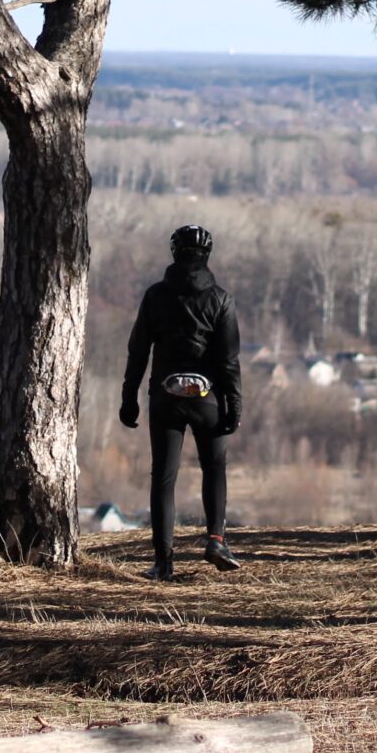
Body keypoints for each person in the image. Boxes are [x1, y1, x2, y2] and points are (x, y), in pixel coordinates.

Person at [119, 224, 242, 580]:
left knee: (164, 477)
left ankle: (163, 562)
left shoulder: (155, 296)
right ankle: (216, 540)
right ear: (208, 255)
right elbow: (228, 360)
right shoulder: (221, 299)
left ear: (174, 253)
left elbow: (138, 351)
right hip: (209, 398)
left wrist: (129, 398)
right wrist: (234, 403)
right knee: (214, 466)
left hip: (165, 396)